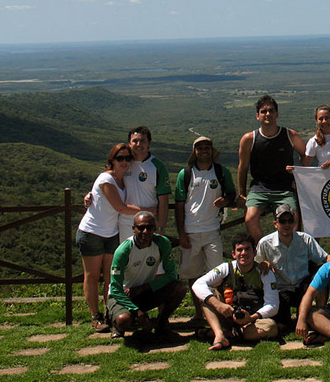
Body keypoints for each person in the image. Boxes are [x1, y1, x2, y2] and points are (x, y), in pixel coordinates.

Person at [77, 144, 152, 332]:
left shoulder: (122, 180)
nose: (125, 162)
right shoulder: (106, 178)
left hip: (111, 234)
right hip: (92, 233)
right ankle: (95, 317)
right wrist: (148, 213)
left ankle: (109, 313)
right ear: (112, 160)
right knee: (92, 276)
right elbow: (120, 207)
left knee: (111, 278)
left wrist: (90, 194)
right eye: (120, 158)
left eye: (128, 158)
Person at [175, 136, 236, 322]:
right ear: (195, 152)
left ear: (212, 150)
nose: (204, 151)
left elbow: (231, 194)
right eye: (200, 148)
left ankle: (218, 312)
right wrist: (181, 233)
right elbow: (179, 205)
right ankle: (199, 313)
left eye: (207, 147)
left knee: (216, 276)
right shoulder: (185, 174)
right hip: (191, 231)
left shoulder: (221, 172)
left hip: (212, 231)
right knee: (193, 276)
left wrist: (225, 201)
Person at [191, 232, 279, 350]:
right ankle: (219, 334)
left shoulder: (264, 272)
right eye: (239, 250)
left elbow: (273, 304)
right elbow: (198, 284)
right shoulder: (225, 268)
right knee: (207, 295)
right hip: (228, 314)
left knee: (271, 327)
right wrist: (218, 305)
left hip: (253, 320)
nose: (244, 253)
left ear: (255, 252)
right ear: (233, 254)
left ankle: (223, 334)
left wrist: (252, 318)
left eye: (248, 249)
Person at [106, 211, 187, 339]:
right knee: (124, 321)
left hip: (144, 291)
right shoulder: (123, 251)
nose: (145, 232)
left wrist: (143, 288)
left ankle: (161, 324)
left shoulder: (162, 243)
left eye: (149, 228)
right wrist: (137, 312)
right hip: (123, 295)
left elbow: (172, 275)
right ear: (133, 229)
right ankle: (117, 322)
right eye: (141, 228)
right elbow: (115, 288)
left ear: (155, 228)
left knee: (180, 288)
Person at [237, 95, 306, 243]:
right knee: (250, 219)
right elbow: (242, 168)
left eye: (271, 110)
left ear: (277, 114)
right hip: (259, 188)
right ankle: (266, 251)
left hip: (284, 189)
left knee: (292, 223)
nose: (267, 114)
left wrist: (297, 172)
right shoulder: (249, 139)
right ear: (257, 116)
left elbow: (305, 155)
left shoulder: (290, 135)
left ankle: (286, 253)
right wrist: (241, 193)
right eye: (263, 111)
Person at [255, 203, 330, 328]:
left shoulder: (306, 240)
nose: (286, 224)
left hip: (303, 286)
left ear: (294, 222)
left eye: (290, 220)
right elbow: (256, 264)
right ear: (275, 224)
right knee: (283, 324)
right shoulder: (265, 243)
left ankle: (321, 314)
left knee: (321, 276)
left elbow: (324, 258)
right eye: (282, 221)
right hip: (280, 289)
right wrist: (263, 264)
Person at [119, 126, 171, 241]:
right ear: (129, 143)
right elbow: (108, 181)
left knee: (150, 258)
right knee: (128, 258)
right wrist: (91, 194)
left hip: (149, 224)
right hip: (126, 223)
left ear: (149, 143)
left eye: (142, 141)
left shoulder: (158, 166)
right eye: (135, 141)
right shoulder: (123, 162)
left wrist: (161, 228)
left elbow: (163, 200)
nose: (138, 144)